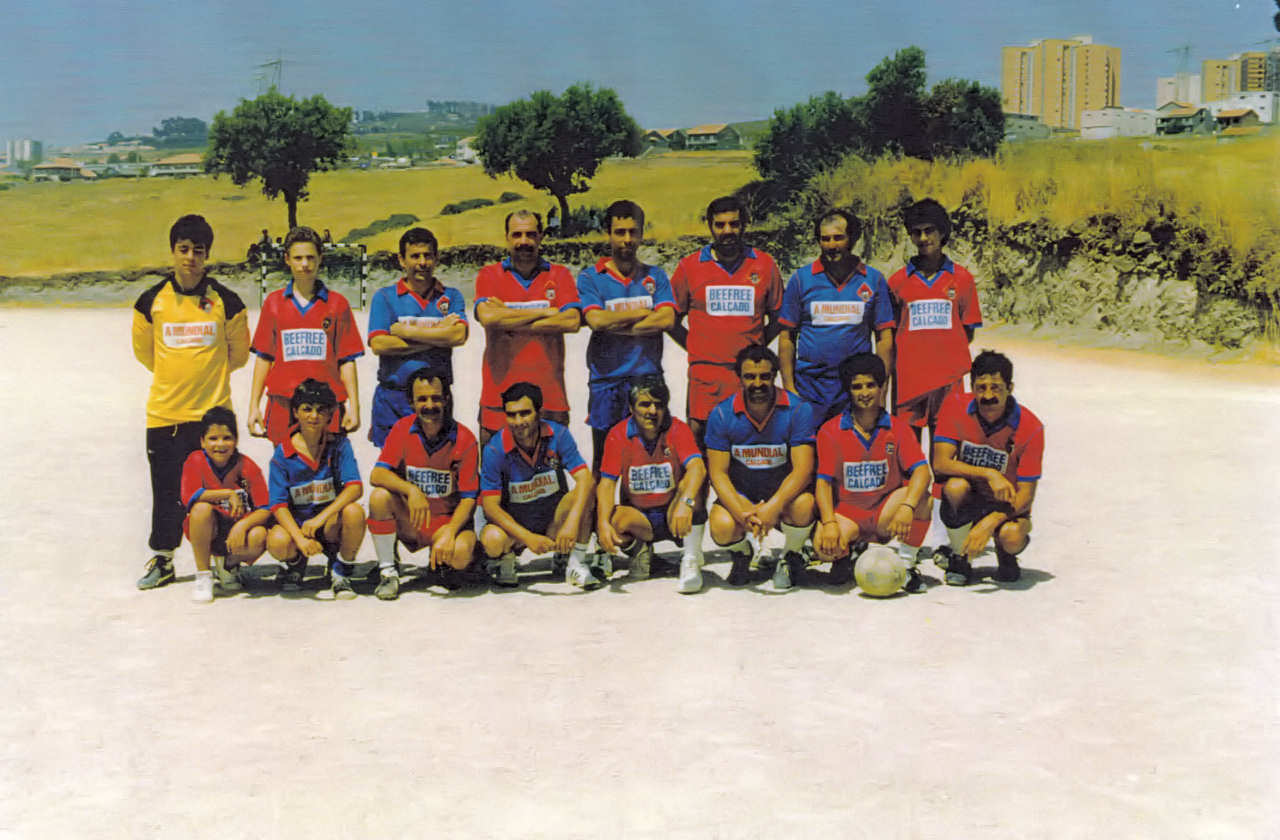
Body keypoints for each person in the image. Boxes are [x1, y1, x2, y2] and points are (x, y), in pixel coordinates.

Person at [133, 214, 250, 590]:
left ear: (207, 255)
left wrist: (206, 378)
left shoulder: (227, 302)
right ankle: (163, 558)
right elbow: (146, 354)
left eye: (198, 251)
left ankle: (224, 561)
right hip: (165, 414)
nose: (190, 258)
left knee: (221, 494)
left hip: (212, 418)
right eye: (183, 249)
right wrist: (178, 374)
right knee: (166, 493)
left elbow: (238, 355)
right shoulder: (150, 302)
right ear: (172, 252)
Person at [670, 195, 784, 447]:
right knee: (700, 442)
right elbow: (671, 319)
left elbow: (779, 316)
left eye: (734, 224)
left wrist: (756, 346)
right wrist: (695, 346)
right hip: (705, 374)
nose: (727, 231)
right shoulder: (690, 266)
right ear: (710, 226)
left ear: (744, 225)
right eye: (720, 225)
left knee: (749, 442)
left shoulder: (764, 264)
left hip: (749, 374)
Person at [813, 354, 932, 592]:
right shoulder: (830, 430)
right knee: (823, 548)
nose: (865, 393)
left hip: (884, 512)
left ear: (881, 387)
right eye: (857, 387)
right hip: (848, 513)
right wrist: (829, 523)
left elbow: (921, 471)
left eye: (870, 385)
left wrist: (907, 507)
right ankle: (849, 554)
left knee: (923, 499)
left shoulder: (897, 428)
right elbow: (823, 483)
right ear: (848, 390)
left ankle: (906, 564)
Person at [704, 345, 816, 591]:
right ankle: (742, 554)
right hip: (744, 494)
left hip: (781, 494)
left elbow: (803, 470)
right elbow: (718, 474)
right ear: (739, 378)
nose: (757, 383)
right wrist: (741, 513)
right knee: (722, 526)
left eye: (765, 376)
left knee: (805, 505)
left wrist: (773, 507)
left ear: (774, 375)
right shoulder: (721, 414)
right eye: (750, 377)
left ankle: (790, 556)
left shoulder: (798, 409)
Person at [576, 200, 676, 471]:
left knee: (652, 461)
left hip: (648, 378)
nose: (627, 239)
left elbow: (667, 319)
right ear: (608, 234)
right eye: (620, 232)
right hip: (606, 381)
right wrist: (643, 312)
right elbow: (596, 320)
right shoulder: (590, 277)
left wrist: (616, 324)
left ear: (642, 234)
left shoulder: (655, 276)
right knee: (603, 463)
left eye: (633, 232)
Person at [930, 350, 1044, 585]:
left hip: (1005, 504)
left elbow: (1026, 496)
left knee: (1012, 536)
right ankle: (959, 556)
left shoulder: (1030, 427)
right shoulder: (954, 406)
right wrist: (989, 473)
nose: (988, 395)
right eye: (981, 388)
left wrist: (989, 523)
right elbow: (940, 463)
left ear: (1010, 388)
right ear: (972, 387)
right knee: (955, 487)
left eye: (996, 388)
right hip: (970, 498)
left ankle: (1005, 554)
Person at [367, 367, 480, 600]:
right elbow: (377, 475)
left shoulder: (465, 438)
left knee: (460, 554)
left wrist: (450, 531)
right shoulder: (402, 428)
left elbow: (469, 497)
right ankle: (388, 571)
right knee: (379, 497)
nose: (430, 405)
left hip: (446, 523)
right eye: (422, 399)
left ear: (446, 399)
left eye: (436, 398)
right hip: (414, 520)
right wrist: (411, 490)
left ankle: (442, 565)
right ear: (411, 402)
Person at [247, 225, 364, 444]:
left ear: (320, 258)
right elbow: (264, 358)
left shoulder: (338, 304)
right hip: (283, 403)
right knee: (285, 463)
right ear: (287, 259)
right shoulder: (273, 303)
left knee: (327, 464)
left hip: (325, 405)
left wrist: (355, 406)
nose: (304, 264)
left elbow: (346, 360)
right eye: (298, 258)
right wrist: (253, 405)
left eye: (310, 257)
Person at [473, 210, 581, 446]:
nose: (524, 241)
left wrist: (507, 316)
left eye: (531, 234)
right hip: (498, 398)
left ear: (541, 236)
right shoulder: (489, 275)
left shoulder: (559, 274)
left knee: (551, 469)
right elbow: (489, 318)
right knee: (495, 468)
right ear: (506, 237)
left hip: (550, 398)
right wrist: (546, 312)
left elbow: (572, 321)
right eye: (517, 235)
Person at [478, 382, 597, 590]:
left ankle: (575, 562)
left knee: (586, 490)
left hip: (552, 522)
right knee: (492, 539)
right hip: (516, 530)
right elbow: (490, 506)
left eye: (525, 413)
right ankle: (507, 559)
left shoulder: (558, 434)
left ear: (539, 413)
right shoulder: (495, 449)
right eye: (511, 415)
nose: (518, 422)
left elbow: (585, 479)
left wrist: (571, 524)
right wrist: (528, 538)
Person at [779, 209, 894, 422]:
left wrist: (882, 389)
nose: (832, 245)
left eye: (838, 238)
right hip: (810, 387)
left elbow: (884, 338)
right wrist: (789, 388)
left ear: (852, 238)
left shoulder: (873, 279)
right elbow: (786, 337)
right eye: (825, 239)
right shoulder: (801, 279)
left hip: (855, 387)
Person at [596, 375, 707, 593]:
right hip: (641, 518)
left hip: (674, 513)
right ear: (631, 408)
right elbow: (607, 484)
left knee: (695, 487)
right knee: (613, 518)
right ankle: (640, 550)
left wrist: (685, 503)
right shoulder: (618, 434)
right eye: (645, 404)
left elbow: (698, 467)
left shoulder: (677, 428)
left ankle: (691, 558)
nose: (652, 411)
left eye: (659, 405)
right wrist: (602, 524)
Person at [887, 199, 982, 442]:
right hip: (909, 381)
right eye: (916, 232)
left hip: (948, 381)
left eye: (929, 230)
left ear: (942, 232)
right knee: (907, 454)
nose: (923, 238)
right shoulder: (897, 281)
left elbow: (967, 331)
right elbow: (891, 333)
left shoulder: (962, 279)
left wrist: (942, 354)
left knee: (945, 453)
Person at [366, 227, 468, 447]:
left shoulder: (451, 296)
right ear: (402, 260)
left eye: (428, 256)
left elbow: (459, 335)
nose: (422, 262)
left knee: (435, 459)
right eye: (415, 256)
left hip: (435, 399)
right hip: (393, 397)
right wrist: (439, 335)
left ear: (436, 258)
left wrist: (408, 332)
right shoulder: (384, 297)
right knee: (391, 463)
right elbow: (379, 344)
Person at [265, 379, 366, 599]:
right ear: (296, 412)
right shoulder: (283, 453)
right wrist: (300, 540)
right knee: (277, 540)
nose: (314, 416)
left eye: (321, 410)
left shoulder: (339, 444)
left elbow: (355, 487)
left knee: (355, 512)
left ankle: (340, 570)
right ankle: (296, 564)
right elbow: (278, 505)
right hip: (299, 528)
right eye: (307, 409)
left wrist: (320, 519)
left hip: (329, 524)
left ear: (330, 414)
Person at [180, 407, 271, 602]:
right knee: (201, 509)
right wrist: (228, 493)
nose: (220, 444)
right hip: (209, 530)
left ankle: (228, 565)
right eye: (213, 438)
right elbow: (189, 497)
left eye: (227, 438)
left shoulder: (247, 465)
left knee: (260, 534)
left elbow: (265, 508)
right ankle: (203, 576)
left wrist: (242, 526)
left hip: (236, 532)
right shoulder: (195, 460)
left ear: (236, 440)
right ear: (202, 441)